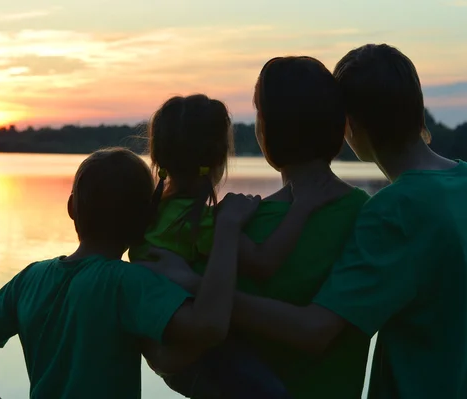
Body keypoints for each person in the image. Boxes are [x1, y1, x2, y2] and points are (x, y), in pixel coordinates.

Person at [150, 44, 467, 399]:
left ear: (349, 123)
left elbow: (171, 351)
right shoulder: (375, 207)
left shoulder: (387, 214)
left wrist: (199, 285)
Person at [0, 147, 261, 399]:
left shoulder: (28, 280)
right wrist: (228, 230)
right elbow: (209, 327)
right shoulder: (129, 282)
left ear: (72, 207)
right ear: (148, 218)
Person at [146, 57, 373, 399]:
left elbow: (174, 353)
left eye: (257, 113)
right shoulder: (368, 215)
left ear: (267, 127)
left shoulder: (233, 228)